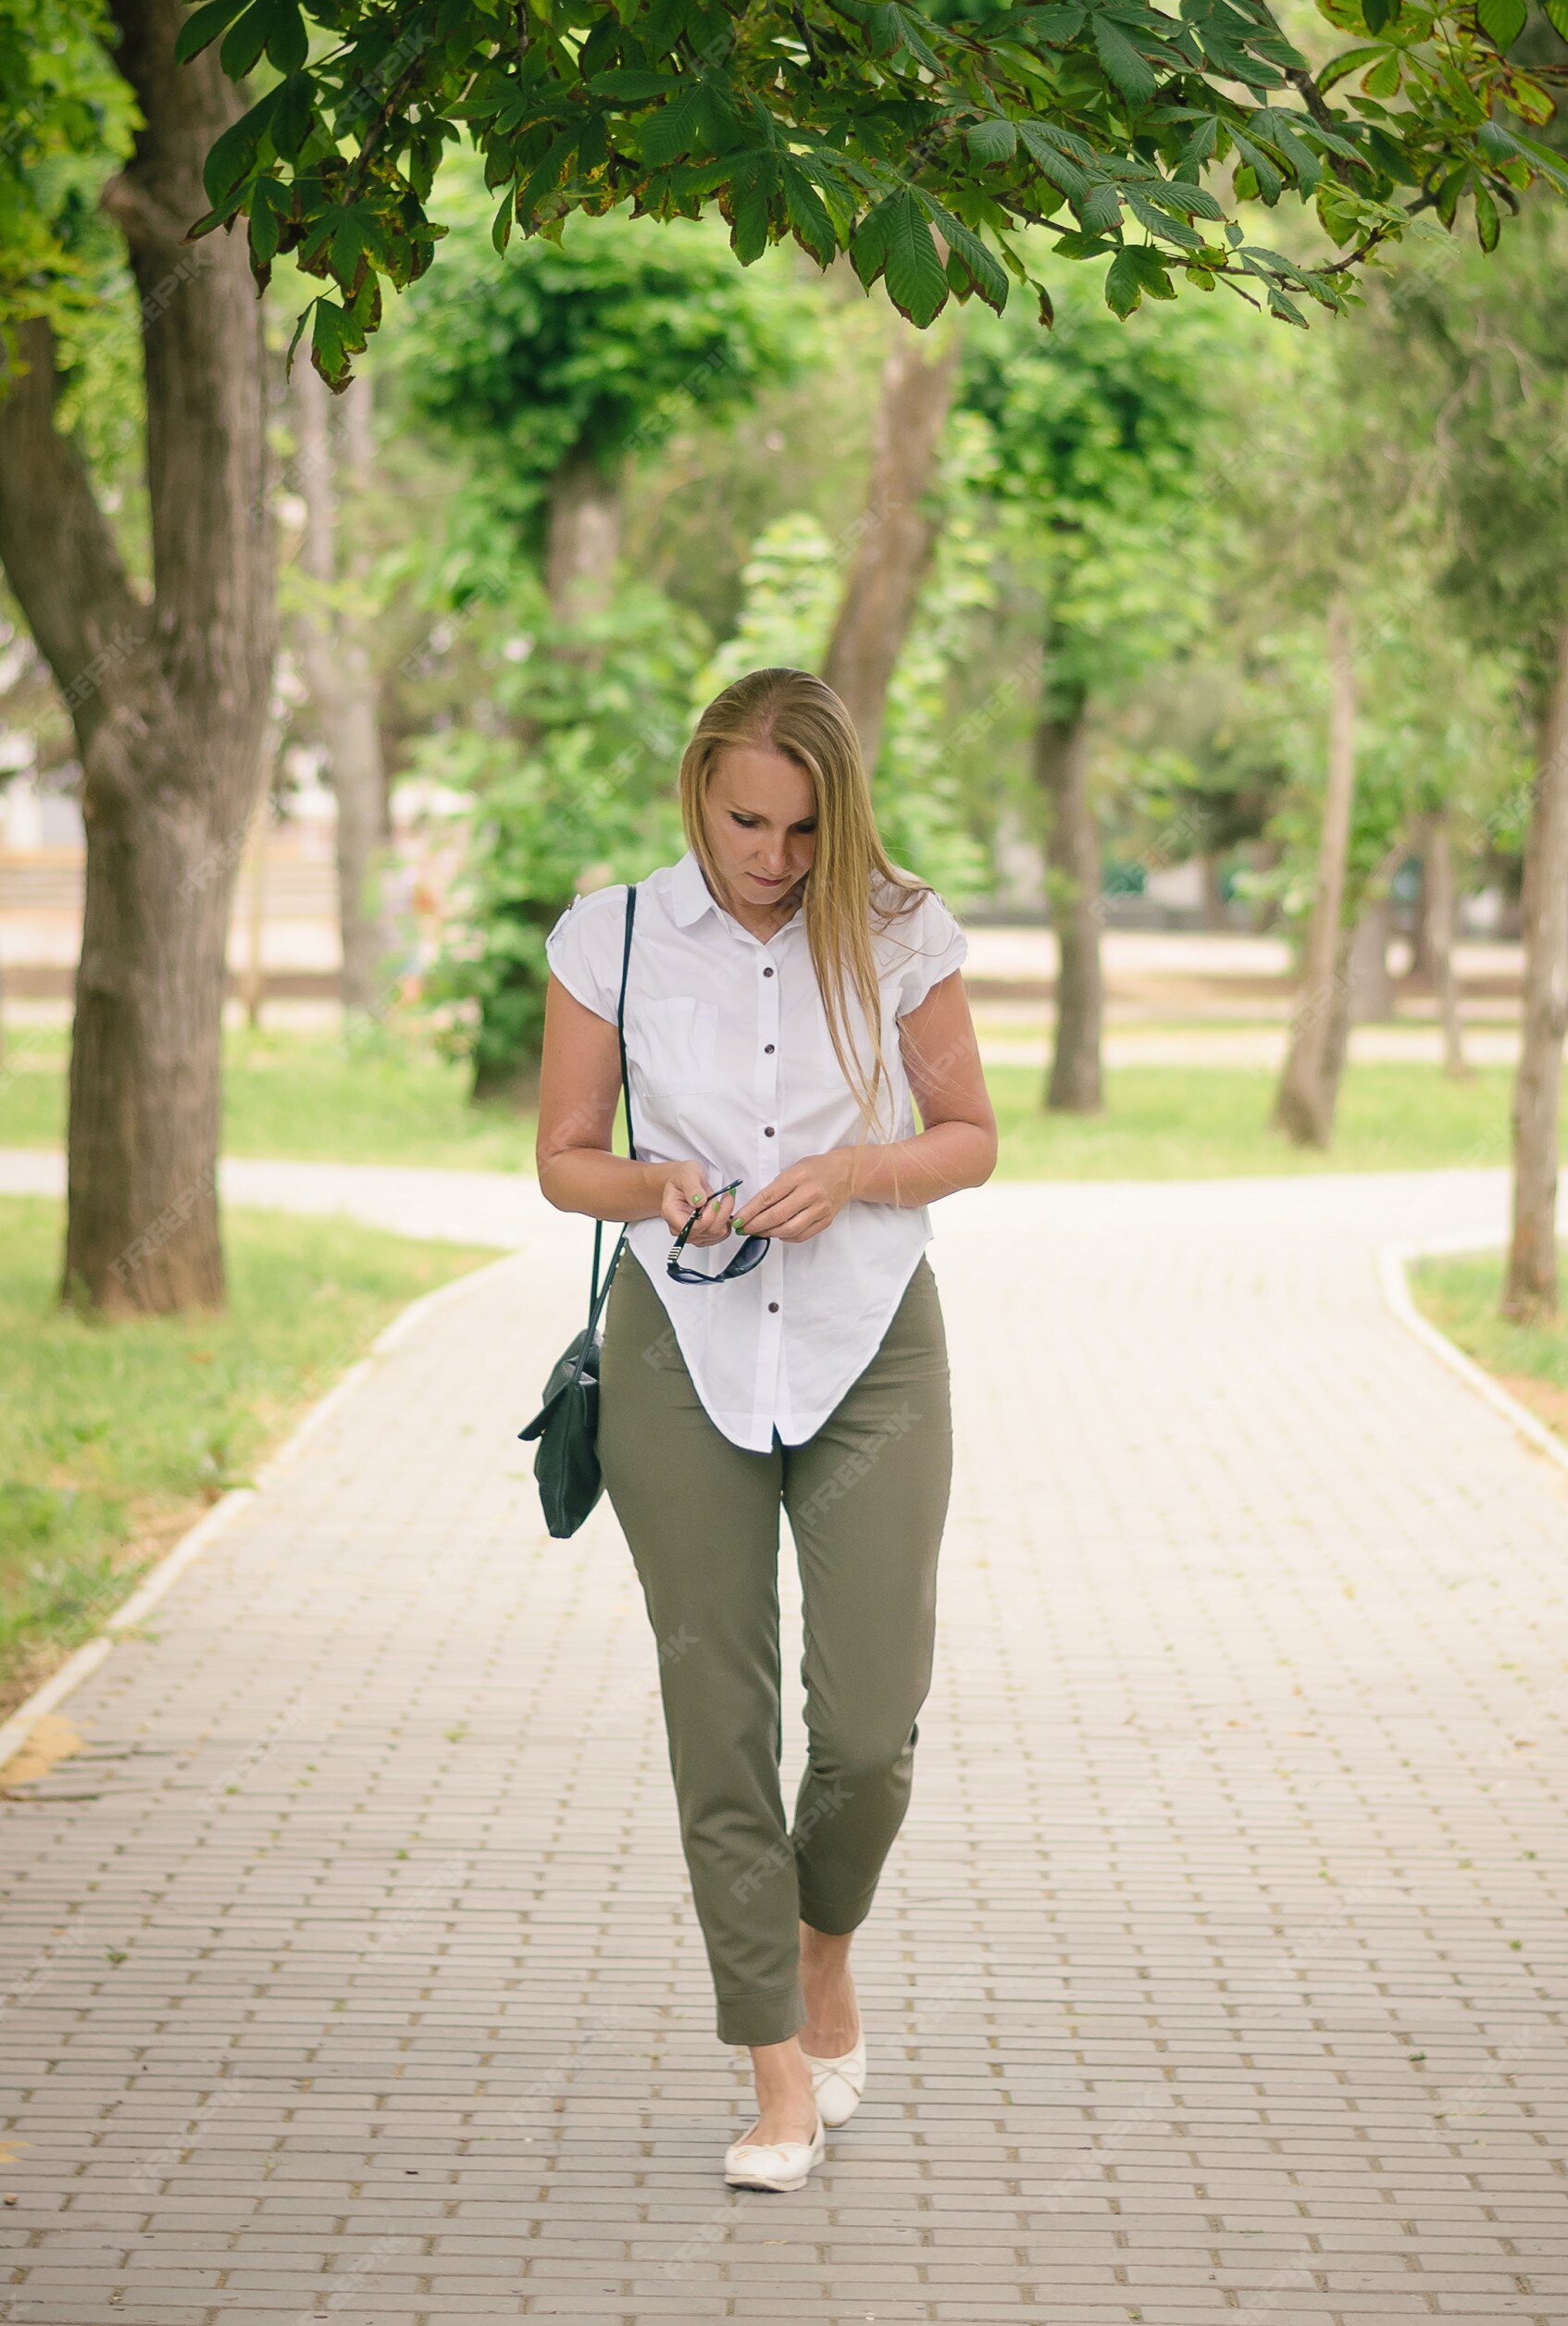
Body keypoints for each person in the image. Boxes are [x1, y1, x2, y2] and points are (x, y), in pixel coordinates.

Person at [535, 665, 997, 2192]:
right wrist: (657, 1184)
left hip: (872, 1341)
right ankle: (774, 2069)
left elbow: (970, 1139)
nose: (773, 857)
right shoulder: (609, 934)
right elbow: (561, 1159)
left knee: (869, 1726)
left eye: (805, 828)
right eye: (747, 819)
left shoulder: (902, 925)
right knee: (714, 1708)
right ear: (698, 791)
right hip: (680, 1343)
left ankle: (824, 1943)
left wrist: (859, 1171)